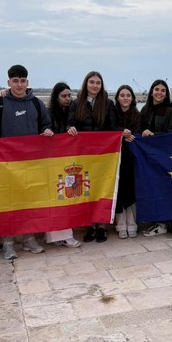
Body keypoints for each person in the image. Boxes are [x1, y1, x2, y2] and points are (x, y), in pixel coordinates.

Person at [0, 65, 54, 260]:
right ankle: (8, 243)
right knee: (8, 204)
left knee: (30, 202)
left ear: (27, 82)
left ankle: (28, 239)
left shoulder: (36, 104)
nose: (19, 85)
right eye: (15, 81)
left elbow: (46, 126)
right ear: (9, 82)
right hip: (8, 164)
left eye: (22, 81)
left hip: (32, 163)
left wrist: (48, 131)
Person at [67, 71, 119, 243]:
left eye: (98, 83)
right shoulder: (76, 103)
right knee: (87, 189)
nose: (95, 85)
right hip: (84, 156)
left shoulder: (108, 104)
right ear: (86, 83)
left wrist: (121, 133)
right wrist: (70, 128)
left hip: (103, 156)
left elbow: (113, 127)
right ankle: (90, 225)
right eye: (92, 82)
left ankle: (102, 226)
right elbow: (70, 123)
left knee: (102, 189)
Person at [32, 82, 83, 249]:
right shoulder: (48, 113)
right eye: (64, 96)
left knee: (66, 198)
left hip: (68, 161)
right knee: (57, 198)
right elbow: (43, 129)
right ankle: (63, 236)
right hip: (53, 162)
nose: (67, 99)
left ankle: (62, 235)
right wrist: (48, 132)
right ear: (56, 97)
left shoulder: (73, 112)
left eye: (69, 95)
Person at [140, 80, 172, 236]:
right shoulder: (145, 110)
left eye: (163, 90)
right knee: (152, 189)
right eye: (157, 89)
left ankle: (163, 223)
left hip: (164, 157)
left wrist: (153, 135)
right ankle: (155, 220)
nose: (159, 93)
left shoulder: (170, 111)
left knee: (163, 189)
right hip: (148, 158)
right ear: (151, 91)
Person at [113, 85, 141, 238]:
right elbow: (109, 128)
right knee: (119, 191)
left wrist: (132, 136)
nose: (125, 98)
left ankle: (132, 223)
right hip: (115, 157)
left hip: (131, 157)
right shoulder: (112, 113)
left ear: (132, 98)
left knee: (131, 190)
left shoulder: (137, 114)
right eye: (122, 95)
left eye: (128, 95)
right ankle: (121, 224)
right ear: (117, 97)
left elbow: (138, 133)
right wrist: (120, 133)